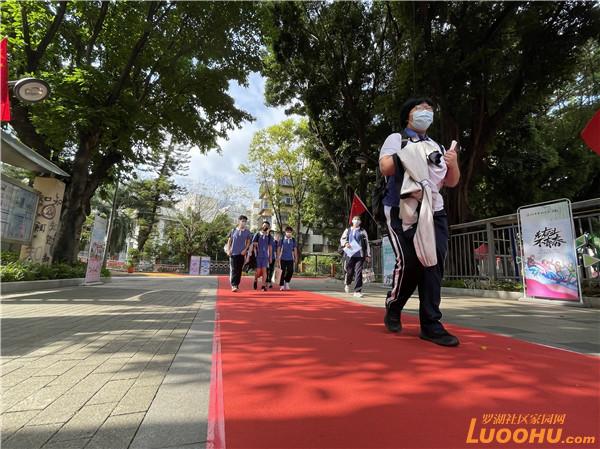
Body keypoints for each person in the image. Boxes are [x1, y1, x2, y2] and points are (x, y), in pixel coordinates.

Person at [378, 97, 461, 347]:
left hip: (434, 210)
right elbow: (385, 167)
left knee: (432, 263)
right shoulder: (397, 139)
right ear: (408, 115)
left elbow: (451, 181)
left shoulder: (437, 145)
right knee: (411, 263)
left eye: (429, 109)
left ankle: (431, 324)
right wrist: (412, 153)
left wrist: (453, 163)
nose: (426, 112)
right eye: (420, 108)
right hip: (401, 209)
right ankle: (394, 306)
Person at [339, 215, 371, 298]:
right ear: (352, 221)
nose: (356, 221)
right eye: (355, 219)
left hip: (360, 255)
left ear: (360, 222)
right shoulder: (348, 230)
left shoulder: (363, 231)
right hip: (349, 254)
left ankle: (357, 291)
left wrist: (368, 255)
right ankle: (347, 283)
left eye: (358, 219)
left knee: (358, 272)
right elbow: (342, 239)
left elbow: (367, 243)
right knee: (349, 272)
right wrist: (346, 243)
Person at [225, 215, 252, 292]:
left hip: (241, 253)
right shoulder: (233, 230)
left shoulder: (247, 232)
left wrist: (245, 250)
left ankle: (236, 284)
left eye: (245, 221)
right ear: (239, 221)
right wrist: (228, 250)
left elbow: (248, 242)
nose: (243, 223)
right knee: (234, 269)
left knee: (239, 270)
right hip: (233, 253)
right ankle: (234, 285)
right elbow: (229, 241)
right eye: (242, 221)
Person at [252, 220, 273, 291]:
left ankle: (263, 286)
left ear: (268, 227)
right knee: (258, 271)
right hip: (258, 256)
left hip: (265, 256)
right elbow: (253, 243)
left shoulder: (269, 236)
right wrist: (256, 244)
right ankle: (255, 279)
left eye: (267, 226)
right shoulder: (257, 234)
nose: (265, 227)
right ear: (262, 226)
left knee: (264, 271)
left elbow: (270, 247)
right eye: (264, 226)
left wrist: (270, 257)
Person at [277, 226, 298, 290]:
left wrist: (296, 258)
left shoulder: (293, 240)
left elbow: (295, 249)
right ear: (285, 232)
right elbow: (279, 248)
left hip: (290, 258)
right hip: (282, 258)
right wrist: (278, 257)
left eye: (290, 232)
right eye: (287, 232)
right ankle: (281, 285)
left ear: (292, 233)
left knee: (290, 271)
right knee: (282, 271)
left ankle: (287, 281)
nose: (289, 233)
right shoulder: (282, 239)